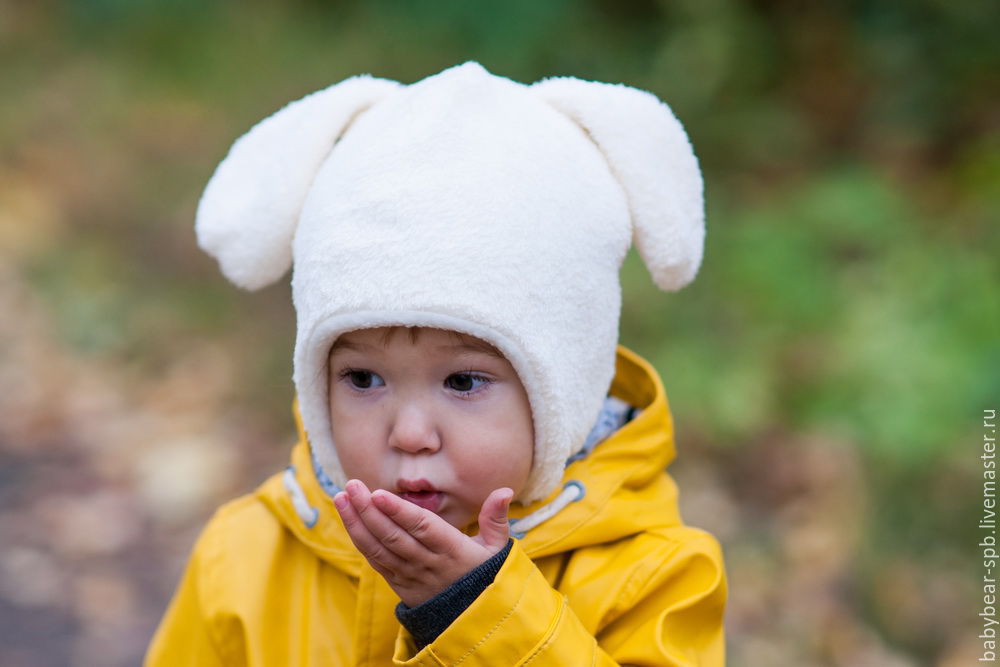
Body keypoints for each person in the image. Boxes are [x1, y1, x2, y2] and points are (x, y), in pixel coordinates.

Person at [145, 61, 727, 666]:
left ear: (564, 390)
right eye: (363, 379)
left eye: (463, 381)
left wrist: (476, 614)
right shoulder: (244, 559)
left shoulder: (654, 576)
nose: (411, 434)